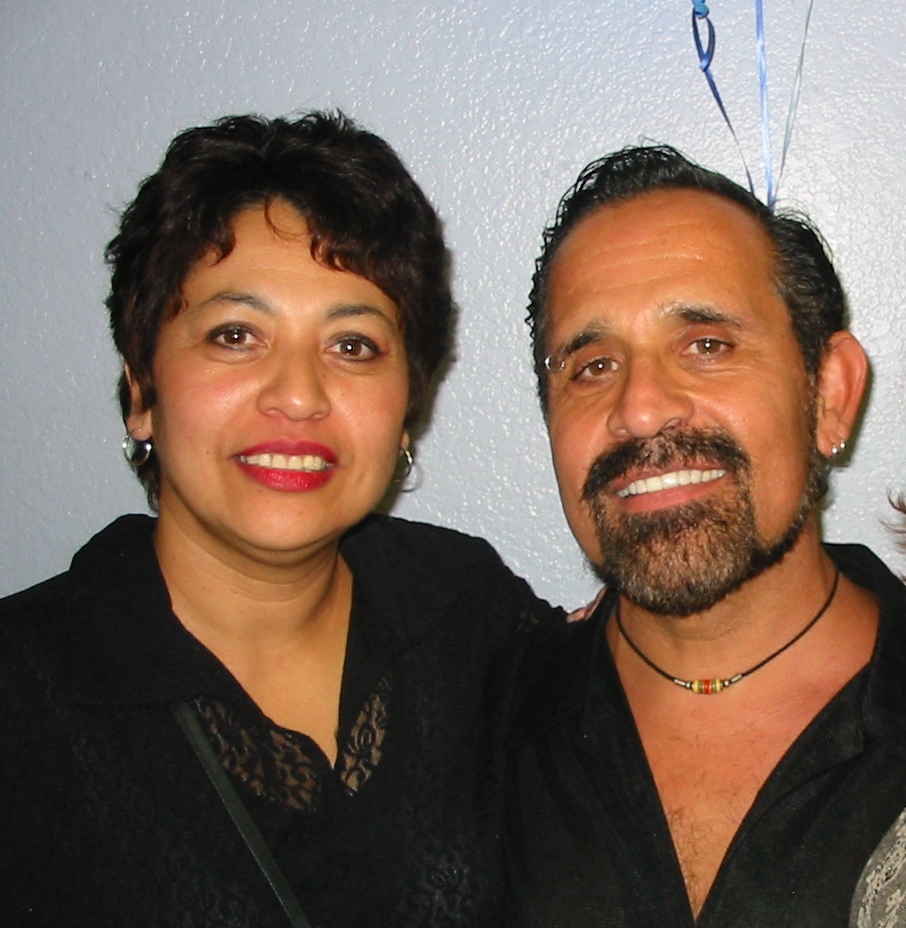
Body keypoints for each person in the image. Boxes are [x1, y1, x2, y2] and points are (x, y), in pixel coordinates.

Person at [0, 112, 556, 928]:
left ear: (408, 407)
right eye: (236, 335)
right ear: (142, 390)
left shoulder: (469, 615)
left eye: (353, 345)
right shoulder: (26, 691)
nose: (298, 395)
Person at [505, 144, 906, 927]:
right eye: (592, 365)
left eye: (708, 345)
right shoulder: (474, 724)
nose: (640, 408)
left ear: (829, 394)